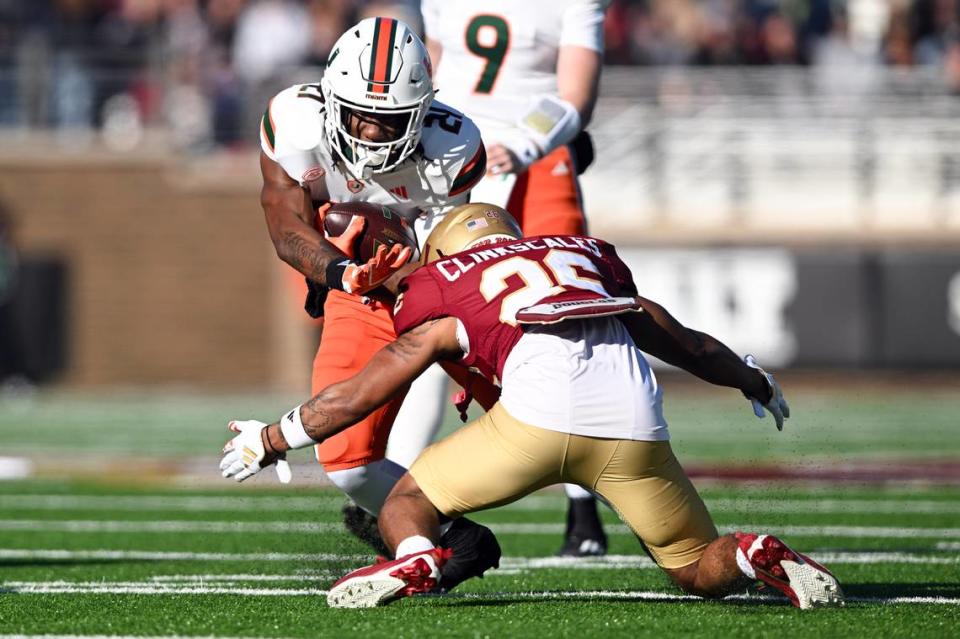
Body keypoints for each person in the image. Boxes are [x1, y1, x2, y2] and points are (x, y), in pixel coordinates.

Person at [220, 204, 844, 610]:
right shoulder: (588, 259)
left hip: (535, 423)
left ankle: (415, 562)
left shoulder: (441, 283)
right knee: (691, 565)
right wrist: (753, 381)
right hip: (634, 424)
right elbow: (683, 341)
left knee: (409, 499)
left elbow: (361, 392)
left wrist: (272, 439)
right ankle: (749, 552)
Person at [255, 16, 499, 587]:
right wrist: (343, 270)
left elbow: (453, 261)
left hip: (434, 284)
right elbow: (286, 227)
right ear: (330, 99)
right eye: (359, 114)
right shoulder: (292, 122)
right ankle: (451, 536)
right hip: (356, 290)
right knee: (343, 458)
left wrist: (394, 268)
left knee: (543, 407)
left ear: (419, 113)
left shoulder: (452, 148)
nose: (369, 133)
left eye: (388, 121)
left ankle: (640, 514)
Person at [383, 0, 611, 557]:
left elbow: (575, 95)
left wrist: (527, 143)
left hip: (535, 161)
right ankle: (394, 489)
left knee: (574, 322)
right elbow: (430, 66)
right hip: (456, 157)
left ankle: (584, 508)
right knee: (436, 316)